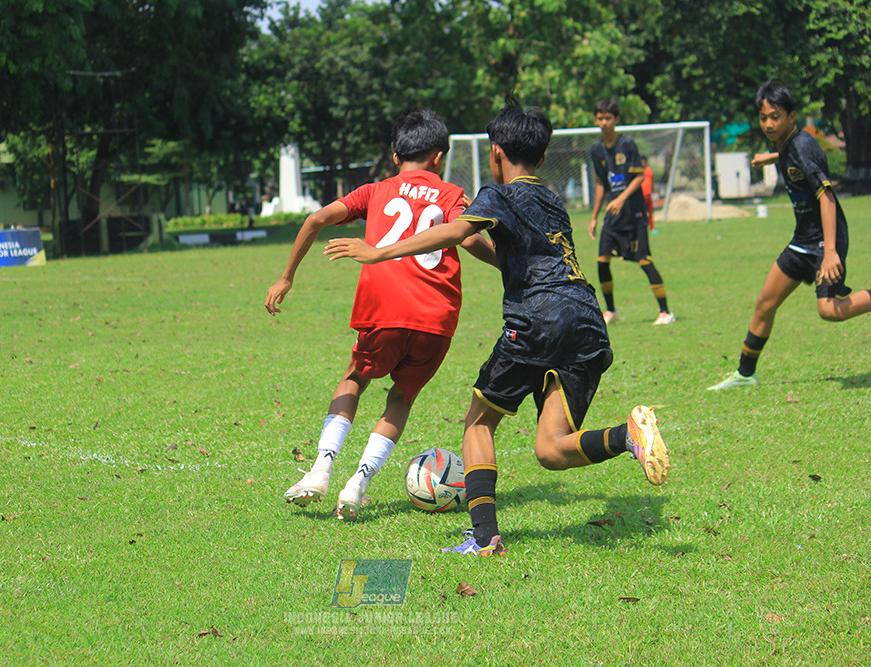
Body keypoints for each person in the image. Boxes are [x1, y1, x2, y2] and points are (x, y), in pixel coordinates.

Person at [325, 101, 671, 556]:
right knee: (550, 450)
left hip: (537, 320)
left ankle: (485, 537)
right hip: (585, 321)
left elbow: (454, 232)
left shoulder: (499, 194)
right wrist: (486, 245)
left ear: (495, 153)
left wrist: (379, 252)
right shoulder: (551, 199)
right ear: (543, 159)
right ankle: (628, 436)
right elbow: (500, 250)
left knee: (478, 421)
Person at [265, 108, 496, 519]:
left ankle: (321, 469)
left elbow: (317, 218)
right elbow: (471, 241)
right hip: (437, 318)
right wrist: (512, 267)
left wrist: (286, 277)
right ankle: (359, 484)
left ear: (395, 156)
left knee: (355, 377)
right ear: (439, 158)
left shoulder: (375, 191)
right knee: (402, 397)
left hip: (383, 311)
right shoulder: (451, 194)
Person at [708, 80, 871, 390]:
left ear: (791, 116)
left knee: (829, 310)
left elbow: (827, 197)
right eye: (764, 116)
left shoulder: (803, 145)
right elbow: (791, 157)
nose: (769, 123)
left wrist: (832, 251)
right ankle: (745, 374)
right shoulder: (788, 144)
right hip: (802, 240)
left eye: (776, 116)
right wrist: (770, 158)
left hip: (825, 241)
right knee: (765, 302)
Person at [587, 99, 675, 325]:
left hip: (633, 214)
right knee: (602, 260)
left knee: (644, 261)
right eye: (600, 118)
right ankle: (611, 311)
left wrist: (621, 198)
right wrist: (594, 216)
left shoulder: (627, 144)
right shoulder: (596, 150)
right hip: (612, 215)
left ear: (616, 120)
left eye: (608, 118)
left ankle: (666, 312)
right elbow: (600, 184)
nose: (604, 122)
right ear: (595, 119)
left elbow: (640, 176)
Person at [641, 157, 656, 233]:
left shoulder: (649, 170)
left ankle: (652, 228)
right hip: (641, 196)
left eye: (644, 162)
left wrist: (653, 191)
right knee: (641, 213)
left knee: (650, 212)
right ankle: (642, 227)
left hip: (648, 195)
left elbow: (652, 181)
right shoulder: (639, 171)